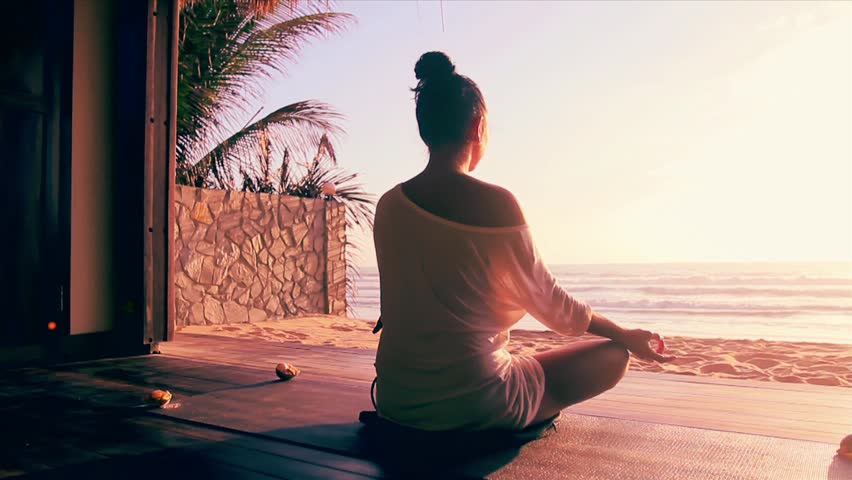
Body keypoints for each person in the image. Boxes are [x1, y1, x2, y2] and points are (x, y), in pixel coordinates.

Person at [371, 51, 674, 432]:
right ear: (478, 126)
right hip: (474, 404)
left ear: (425, 129)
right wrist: (624, 334)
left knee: (518, 360)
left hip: (396, 401)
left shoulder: (389, 205)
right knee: (614, 356)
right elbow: (556, 308)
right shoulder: (497, 203)